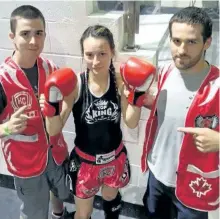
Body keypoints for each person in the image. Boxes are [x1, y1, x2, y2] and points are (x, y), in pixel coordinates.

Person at [44, 25, 156, 219]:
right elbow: (54, 129)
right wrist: (51, 106)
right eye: (89, 55)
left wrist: (137, 95)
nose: (95, 61)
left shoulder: (120, 82)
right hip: (85, 163)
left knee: (110, 196)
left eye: (102, 54)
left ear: (112, 51)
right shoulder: (76, 84)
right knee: (83, 212)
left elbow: (131, 122)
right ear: (83, 55)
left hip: (114, 158)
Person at [137, 6, 219, 219]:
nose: (182, 50)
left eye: (191, 42)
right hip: (157, 176)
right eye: (176, 41)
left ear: (207, 43)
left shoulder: (218, 85)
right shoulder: (164, 72)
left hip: (194, 185)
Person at [0, 5, 74, 219]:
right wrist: (6, 127)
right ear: (12, 37)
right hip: (26, 162)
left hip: (56, 151)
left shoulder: (50, 68)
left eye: (38, 33)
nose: (33, 41)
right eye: (25, 34)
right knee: (34, 211)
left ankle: (59, 215)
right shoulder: (3, 80)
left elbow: (70, 94)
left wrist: (66, 107)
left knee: (60, 190)